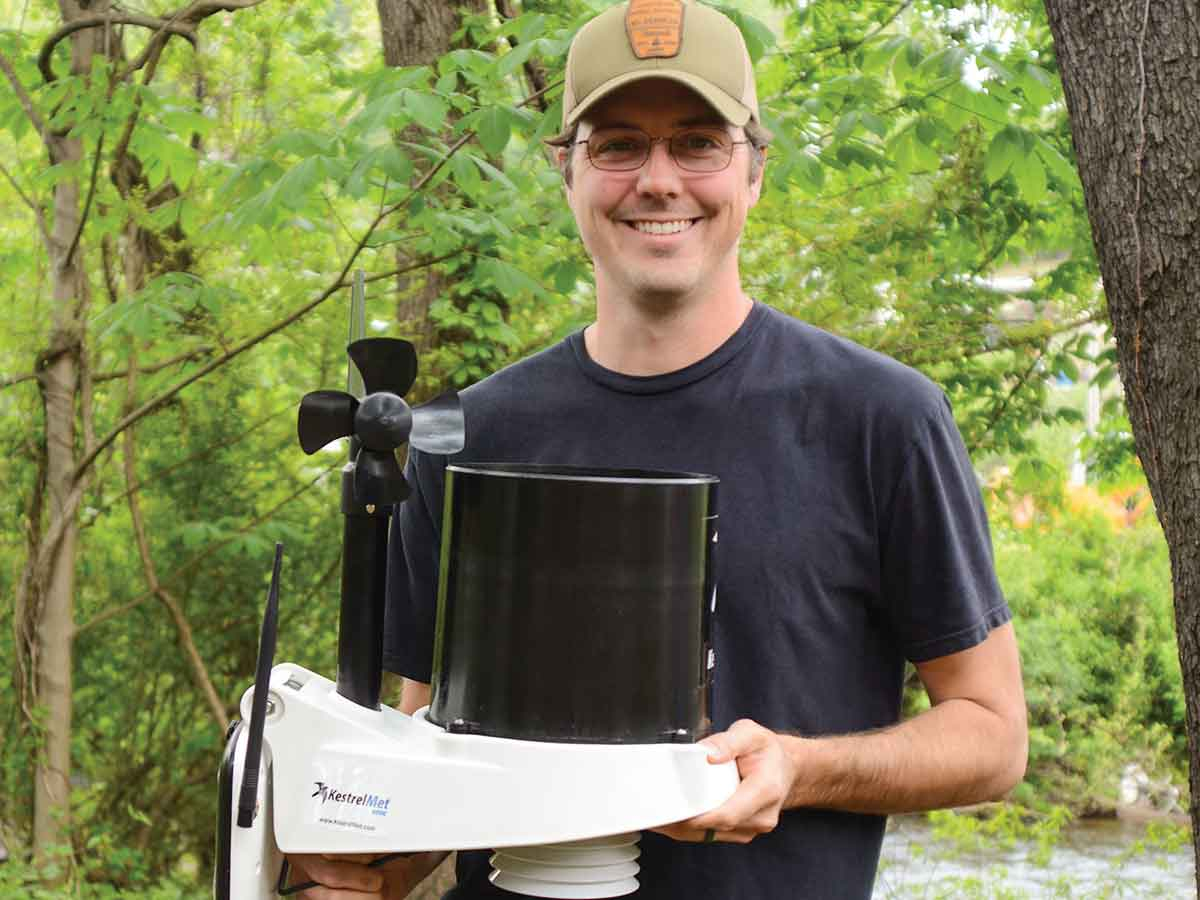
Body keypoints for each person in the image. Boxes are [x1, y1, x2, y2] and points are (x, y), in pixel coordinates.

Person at [289, 1, 1027, 897]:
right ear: (567, 171)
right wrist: (365, 861)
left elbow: (991, 734)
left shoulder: (879, 418)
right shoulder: (464, 434)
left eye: (698, 142)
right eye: (618, 144)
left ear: (755, 168)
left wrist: (799, 769)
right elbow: (424, 755)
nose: (659, 179)